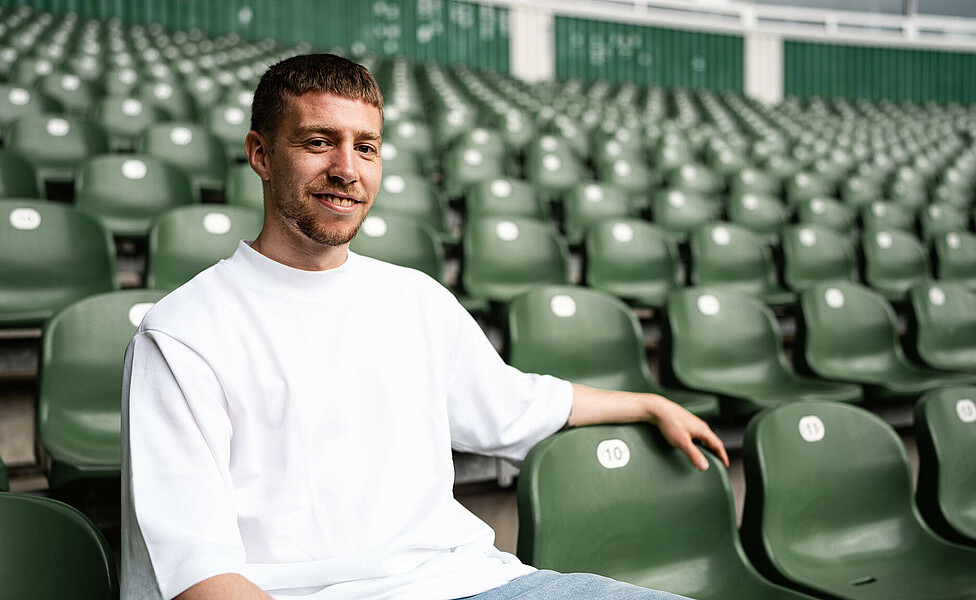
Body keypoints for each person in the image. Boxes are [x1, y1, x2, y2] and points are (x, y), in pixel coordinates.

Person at [121, 53, 729, 600]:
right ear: (260, 154)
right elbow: (200, 577)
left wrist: (646, 403)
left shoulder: (415, 299)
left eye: (366, 147)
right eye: (317, 142)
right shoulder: (182, 335)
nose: (346, 169)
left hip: (474, 582)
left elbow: (514, 403)